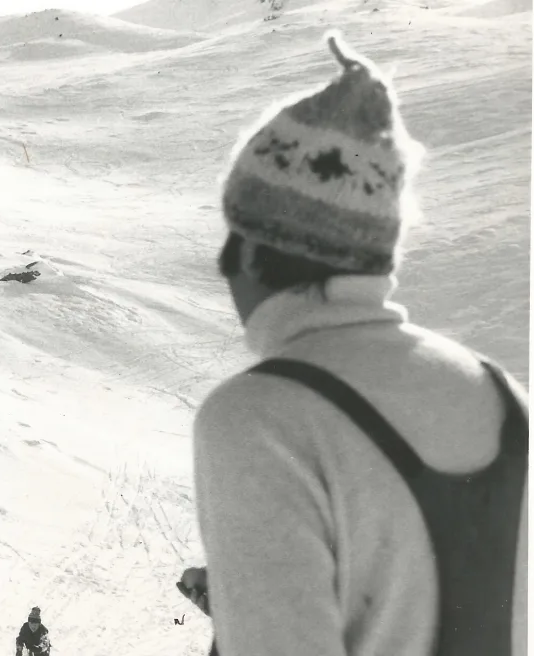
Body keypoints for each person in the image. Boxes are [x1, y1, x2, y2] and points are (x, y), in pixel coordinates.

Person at [192, 30, 527, 656]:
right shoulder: (500, 393)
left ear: (259, 253)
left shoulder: (257, 419)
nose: (221, 266)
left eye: (234, 238)